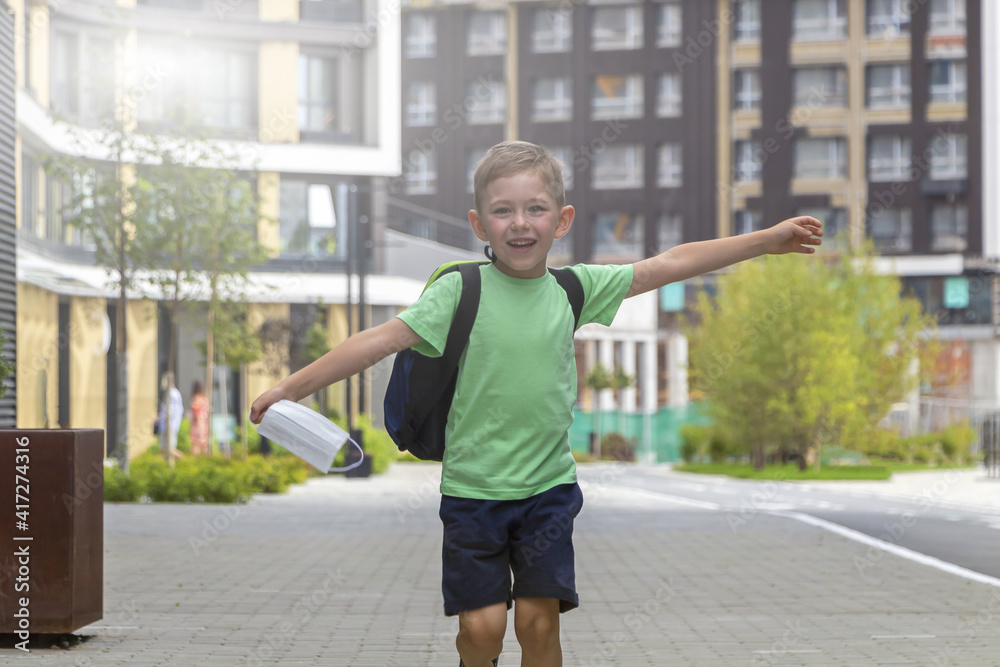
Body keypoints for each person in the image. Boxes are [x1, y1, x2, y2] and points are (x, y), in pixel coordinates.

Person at [249, 141, 823, 666]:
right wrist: (288, 389)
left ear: (562, 220)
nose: (519, 224)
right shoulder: (459, 291)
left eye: (536, 209)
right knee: (480, 630)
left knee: (537, 623)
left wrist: (767, 241)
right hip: (472, 492)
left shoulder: (575, 289)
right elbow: (375, 341)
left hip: (547, 491)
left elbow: (667, 264)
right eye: (502, 210)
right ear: (479, 222)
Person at [158, 371, 184, 464]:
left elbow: (170, 411)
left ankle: (184, 461)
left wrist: (160, 417)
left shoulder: (172, 394)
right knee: (164, 449)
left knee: (169, 449)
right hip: (170, 425)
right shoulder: (175, 393)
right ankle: (167, 467)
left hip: (169, 426)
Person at [189, 380, 210, 456]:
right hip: (205, 424)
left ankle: (196, 462)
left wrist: (198, 426)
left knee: (195, 444)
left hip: (197, 424)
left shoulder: (196, 399)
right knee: (204, 444)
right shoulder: (205, 399)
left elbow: (197, 414)